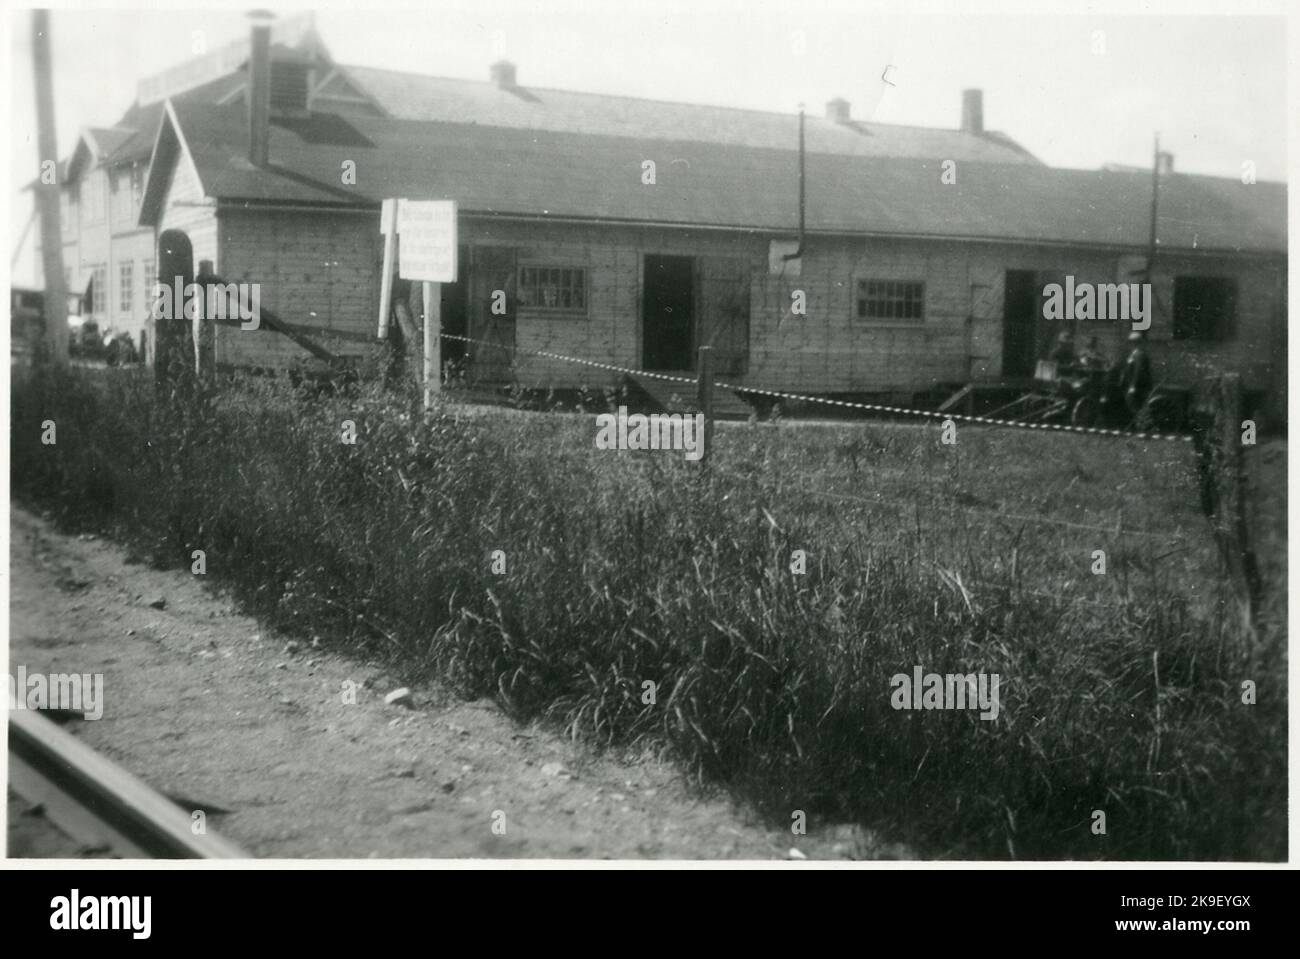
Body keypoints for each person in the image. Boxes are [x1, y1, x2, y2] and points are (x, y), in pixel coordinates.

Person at [1118, 330, 1153, 417]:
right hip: (1130, 386)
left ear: (1137, 343)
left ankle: (1140, 425)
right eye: (1131, 342)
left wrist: (1133, 387)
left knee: (1136, 408)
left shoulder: (1139, 355)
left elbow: (1138, 372)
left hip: (1138, 387)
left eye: (1134, 342)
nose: (1131, 345)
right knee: (1131, 407)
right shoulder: (1133, 354)